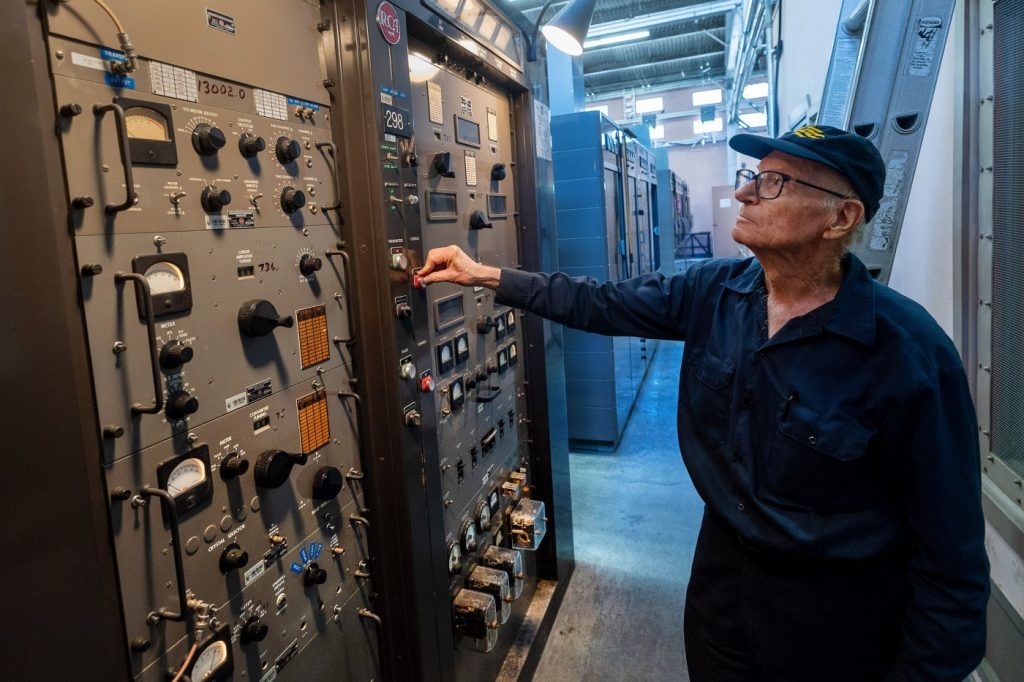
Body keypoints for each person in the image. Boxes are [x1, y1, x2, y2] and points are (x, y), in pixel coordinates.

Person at [418, 125, 990, 681]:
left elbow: (951, 561)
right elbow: (600, 302)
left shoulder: (908, 354)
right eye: (753, 176)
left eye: (774, 183)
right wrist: (485, 274)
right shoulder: (715, 291)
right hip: (721, 589)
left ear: (841, 217)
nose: (744, 193)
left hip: (834, 621)